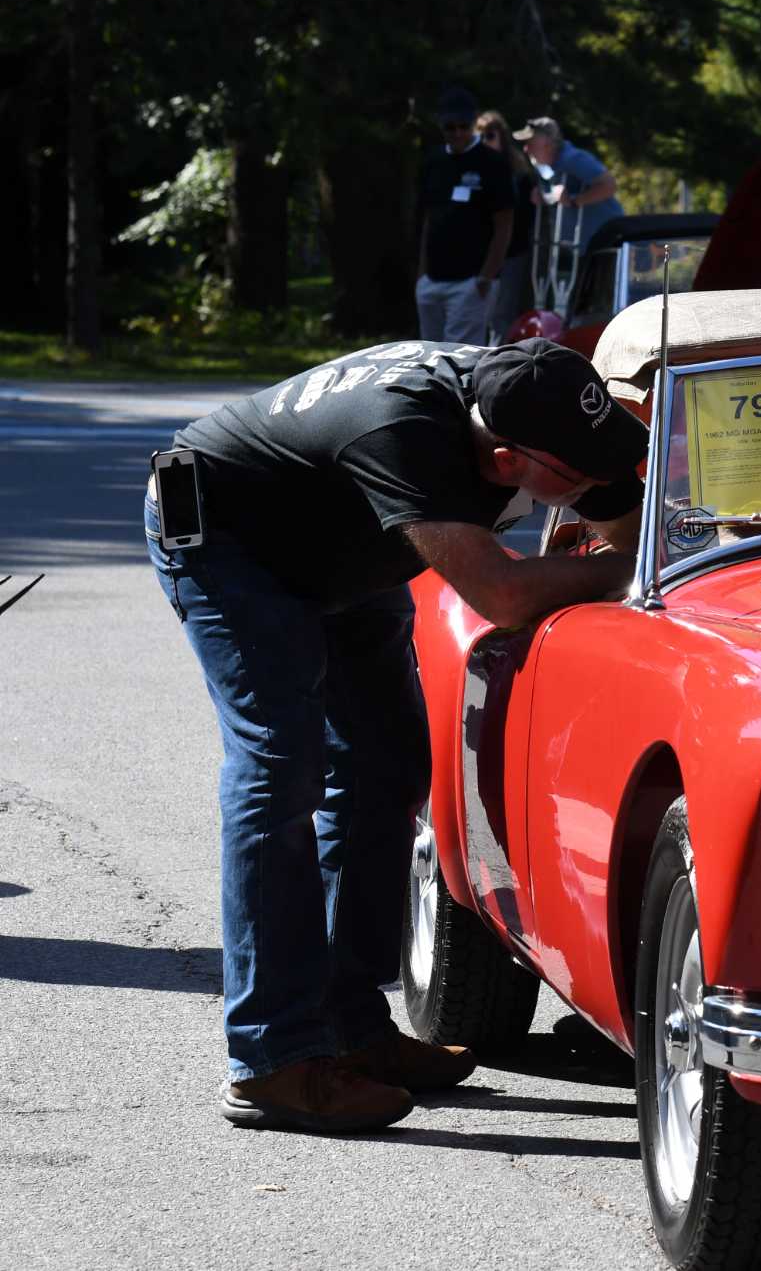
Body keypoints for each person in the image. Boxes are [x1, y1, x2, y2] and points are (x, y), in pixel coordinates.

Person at [145, 338, 647, 1134]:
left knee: (388, 768)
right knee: (281, 769)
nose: (598, 483)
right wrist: (618, 572)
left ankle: (350, 1030)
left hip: (348, 542)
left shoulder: (536, 395)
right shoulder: (404, 434)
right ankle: (273, 1060)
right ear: (508, 459)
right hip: (232, 536)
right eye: (578, 476)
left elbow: (629, 521)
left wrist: (641, 549)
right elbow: (505, 592)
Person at [416, 87, 513, 343]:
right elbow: (428, 219)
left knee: (458, 360)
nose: (458, 132)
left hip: (471, 282)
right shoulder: (432, 162)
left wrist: (485, 277)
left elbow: (504, 223)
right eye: (450, 127)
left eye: (464, 125)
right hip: (432, 280)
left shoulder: (493, 163)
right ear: (441, 125)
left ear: (474, 122)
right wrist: (422, 275)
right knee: (429, 356)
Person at [513, 116, 625, 254]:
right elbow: (557, 195)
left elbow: (609, 185)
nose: (526, 149)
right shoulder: (546, 166)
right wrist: (544, 197)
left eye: (530, 143)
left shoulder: (573, 159)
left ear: (547, 142)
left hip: (606, 243)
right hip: (580, 250)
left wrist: (574, 200)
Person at [475, 108, 538, 340]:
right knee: (478, 314)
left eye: (490, 136)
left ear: (501, 136)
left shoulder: (519, 172)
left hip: (512, 254)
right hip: (480, 254)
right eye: (480, 136)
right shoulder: (473, 168)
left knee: (502, 314)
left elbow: (525, 216)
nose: (485, 141)